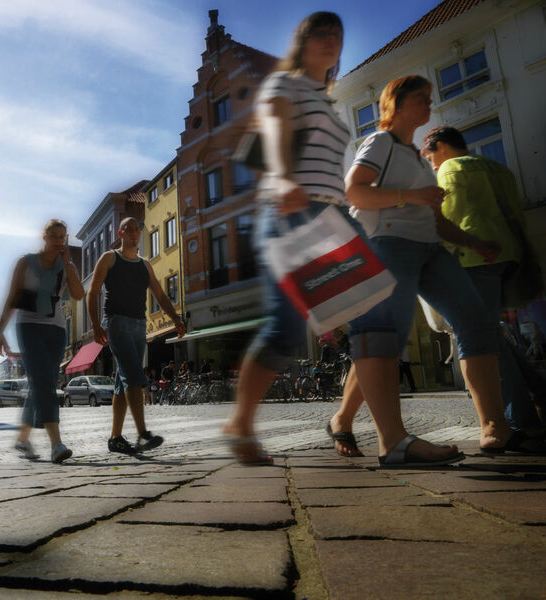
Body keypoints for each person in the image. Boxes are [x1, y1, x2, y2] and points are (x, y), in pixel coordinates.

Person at [331, 74, 517, 465]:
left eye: (431, 97)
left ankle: (494, 426)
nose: (429, 104)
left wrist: (471, 241)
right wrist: (410, 195)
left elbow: (430, 218)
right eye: (421, 97)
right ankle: (365, 429)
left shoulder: (417, 156)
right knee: (386, 340)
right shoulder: (381, 142)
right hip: (387, 245)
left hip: (431, 250)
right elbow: (354, 191)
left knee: (476, 322)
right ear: (395, 103)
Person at [222, 12, 351, 465]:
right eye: (321, 32)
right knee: (288, 327)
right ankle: (241, 422)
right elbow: (275, 131)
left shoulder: (327, 99)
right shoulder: (287, 85)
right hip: (291, 212)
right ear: (302, 41)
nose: (331, 39)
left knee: (368, 316)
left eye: (337, 33)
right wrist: (280, 178)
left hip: (330, 219)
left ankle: (359, 424)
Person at [422, 125, 546, 443]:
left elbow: (452, 213)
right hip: (509, 254)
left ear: (442, 148)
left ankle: (521, 419)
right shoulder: (496, 167)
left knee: (481, 339)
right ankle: (539, 396)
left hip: (477, 257)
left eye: (430, 155)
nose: (430, 162)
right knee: (491, 334)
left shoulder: (451, 167)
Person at [88, 217, 186, 455]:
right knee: (133, 373)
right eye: (128, 229)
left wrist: (175, 318)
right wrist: (96, 325)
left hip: (139, 325)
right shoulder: (109, 258)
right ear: (120, 234)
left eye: (136, 229)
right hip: (116, 322)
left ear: (139, 234)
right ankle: (143, 434)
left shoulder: (145, 265)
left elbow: (161, 296)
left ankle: (115, 438)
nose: (133, 232)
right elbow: (93, 292)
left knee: (123, 383)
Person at [0, 219, 84, 463]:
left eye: (62, 237)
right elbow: (13, 295)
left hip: (56, 330)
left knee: (41, 382)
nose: (59, 241)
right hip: (29, 326)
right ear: (44, 237)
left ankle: (23, 438)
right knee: (43, 382)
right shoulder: (26, 262)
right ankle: (56, 444)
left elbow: (78, 295)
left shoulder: (67, 265)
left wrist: (68, 265)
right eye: (54, 236)